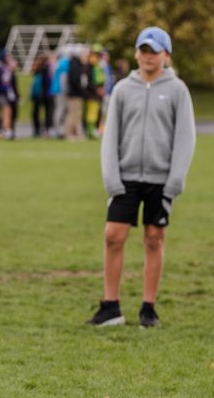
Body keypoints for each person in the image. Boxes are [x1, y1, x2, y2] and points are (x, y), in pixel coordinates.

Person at [88, 27, 196, 328]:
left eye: (154, 51)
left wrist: (174, 182)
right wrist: (112, 178)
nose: (148, 56)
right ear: (136, 54)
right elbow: (111, 137)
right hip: (126, 178)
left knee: (154, 239)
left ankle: (148, 308)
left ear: (166, 55)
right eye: (144, 51)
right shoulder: (123, 89)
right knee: (113, 236)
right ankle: (111, 306)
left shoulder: (178, 90)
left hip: (161, 180)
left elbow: (185, 138)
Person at [0, 49, 17, 140]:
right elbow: (2, 81)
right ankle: (5, 130)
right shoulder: (0, 66)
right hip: (0, 93)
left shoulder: (3, 66)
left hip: (1, 93)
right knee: (5, 111)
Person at [65, 46, 88, 141]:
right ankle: (69, 134)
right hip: (74, 94)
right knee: (72, 114)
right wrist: (81, 89)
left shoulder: (77, 64)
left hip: (77, 94)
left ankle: (76, 133)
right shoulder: (75, 65)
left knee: (76, 115)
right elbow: (75, 81)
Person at [30, 53, 53, 138]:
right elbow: (47, 82)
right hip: (44, 94)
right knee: (47, 112)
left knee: (36, 112)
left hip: (36, 94)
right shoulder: (46, 68)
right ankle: (46, 129)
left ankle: (36, 130)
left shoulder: (37, 69)